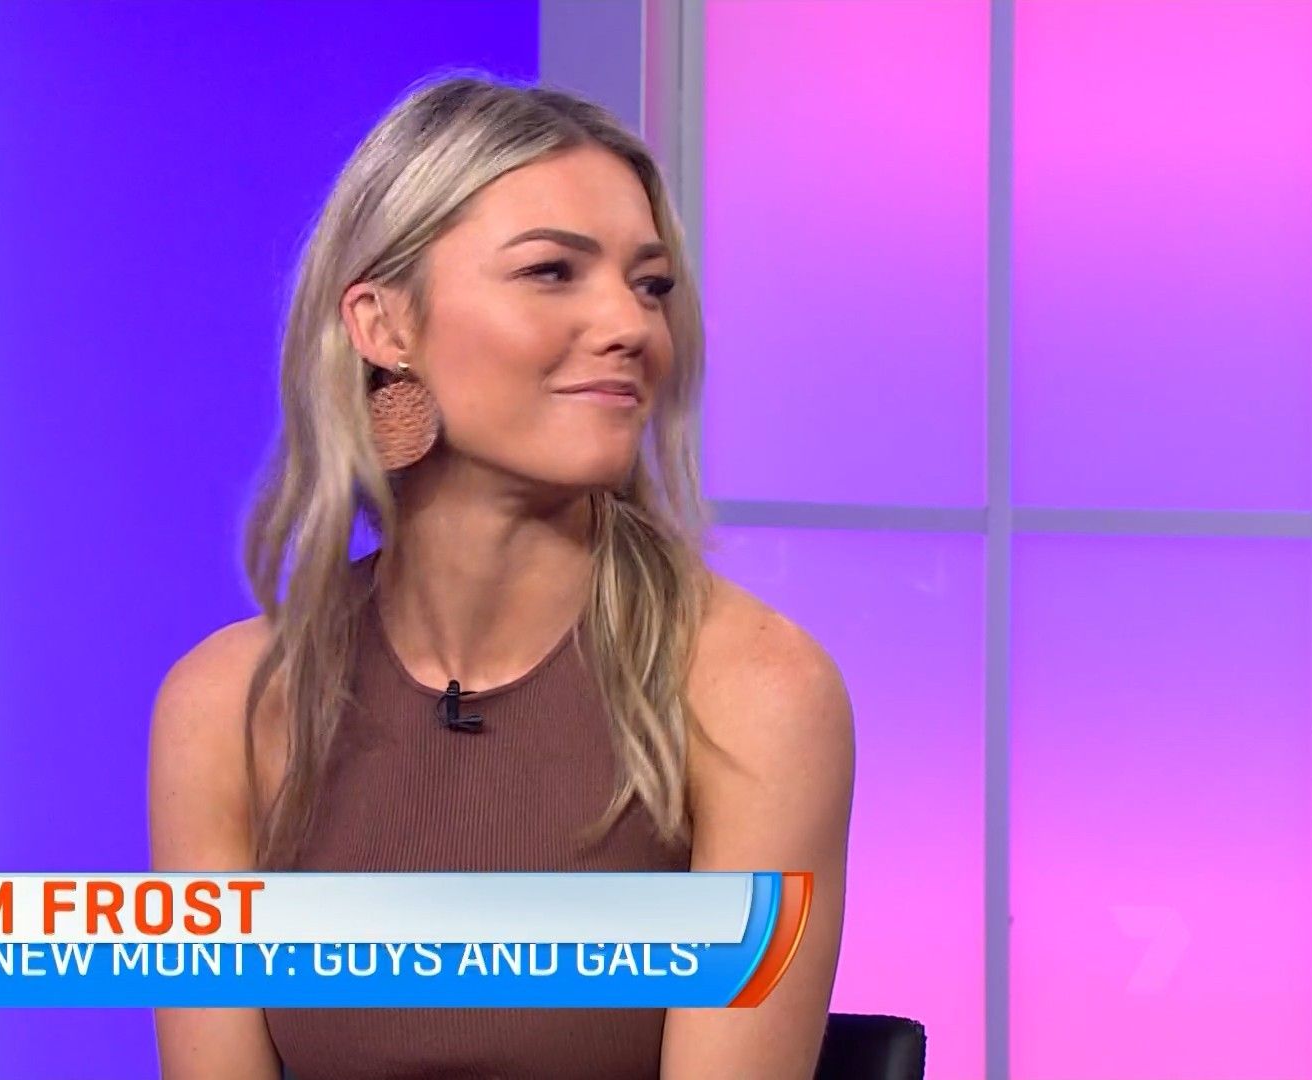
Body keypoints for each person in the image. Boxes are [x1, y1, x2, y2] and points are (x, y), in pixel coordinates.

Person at [148, 71, 855, 1080]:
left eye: (650, 285)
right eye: (552, 272)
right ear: (385, 326)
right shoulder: (225, 707)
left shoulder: (754, 694)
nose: (629, 325)